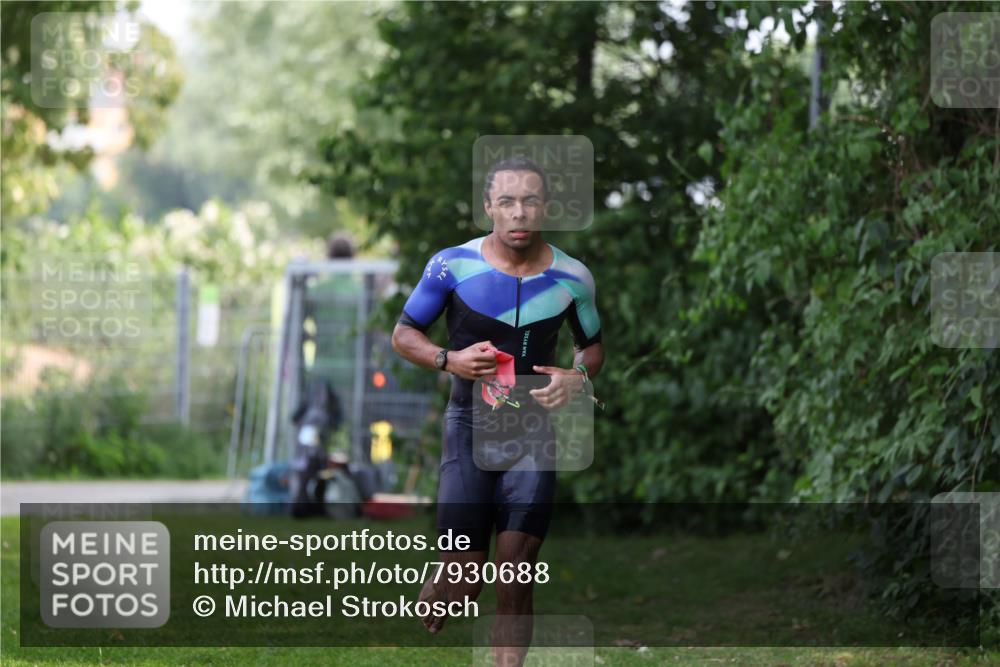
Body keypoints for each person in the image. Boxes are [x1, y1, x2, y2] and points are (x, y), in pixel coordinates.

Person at [391, 156, 604, 666]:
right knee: (465, 577)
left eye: (529, 200)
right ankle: (448, 576)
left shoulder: (573, 278)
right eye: (506, 202)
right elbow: (403, 335)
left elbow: (591, 346)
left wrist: (578, 378)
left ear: (545, 207)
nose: (518, 212)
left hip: (532, 434)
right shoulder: (451, 266)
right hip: (468, 426)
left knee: (516, 566)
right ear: (489, 208)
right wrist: (450, 359)